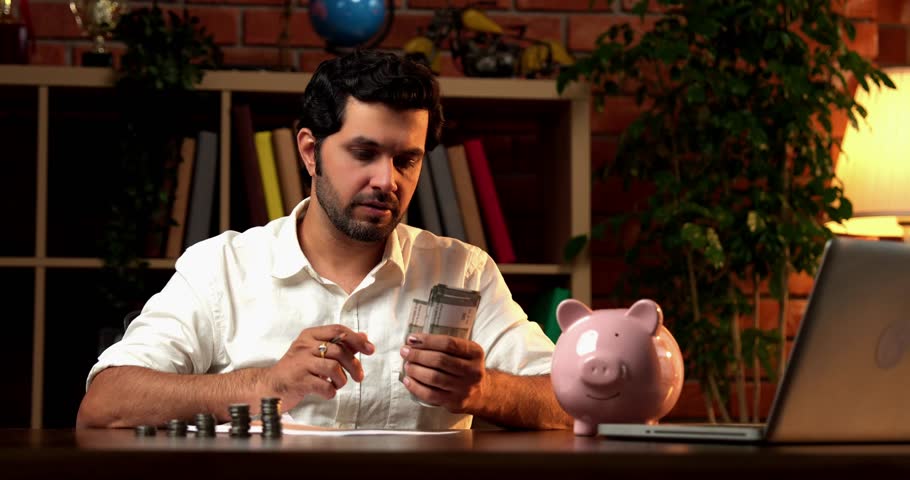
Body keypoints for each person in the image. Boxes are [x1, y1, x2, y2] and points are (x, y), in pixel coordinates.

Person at [77, 49, 572, 431]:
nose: (387, 181)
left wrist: (483, 391)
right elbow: (105, 403)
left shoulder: (464, 270)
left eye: (407, 160)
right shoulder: (220, 269)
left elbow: (570, 402)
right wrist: (266, 384)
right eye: (364, 152)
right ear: (310, 152)